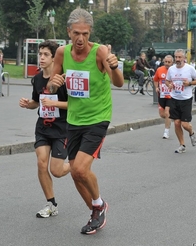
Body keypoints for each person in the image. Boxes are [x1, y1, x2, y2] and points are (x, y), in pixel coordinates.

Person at [47, 8, 124, 234]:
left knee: (80, 168)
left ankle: (99, 204)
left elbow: (118, 83)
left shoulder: (100, 52)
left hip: (98, 118)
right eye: (76, 33)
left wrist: (114, 66)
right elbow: (51, 84)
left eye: (86, 34)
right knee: (75, 173)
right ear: (69, 31)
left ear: (90, 33)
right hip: (74, 119)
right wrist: (55, 82)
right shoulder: (62, 53)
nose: (81, 39)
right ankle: (94, 212)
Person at [19, 41, 70, 218]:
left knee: (57, 171)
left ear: (55, 57)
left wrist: (55, 103)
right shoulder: (38, 79)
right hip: (43, 127)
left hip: (62, 129)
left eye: (45, 54)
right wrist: (28, 104)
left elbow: (75, 105)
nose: (41, 57)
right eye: (40, 54)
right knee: (41, 163)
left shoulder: (63, 79)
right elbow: (37, 102)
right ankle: (51, 204)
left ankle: (75, 164)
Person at [166, 49, 196, 153]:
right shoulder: (171, 69)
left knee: (185, 124)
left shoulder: (190, 69)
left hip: (186, 99)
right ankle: (182, 145)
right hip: (174, 99)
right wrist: (169, 85)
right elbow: (167, 81)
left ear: (184, 58)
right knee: (176, 123)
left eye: (179, 57)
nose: (177, 59)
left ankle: (191, 132)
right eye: (176, 57)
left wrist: (189, 83)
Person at [154, 55, 173, 139]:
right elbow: (155, 79)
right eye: (166, 62)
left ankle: (166, 131)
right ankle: (169, 120)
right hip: (161, 95)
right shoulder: (159, 69)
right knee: (162, 115)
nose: (167, 64)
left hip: (171, 96)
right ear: (163, 61)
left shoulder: (174, 70)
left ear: (172, 63)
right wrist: (157, 87)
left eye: (169, 62)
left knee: (167, 112)